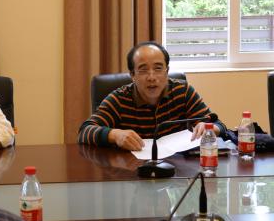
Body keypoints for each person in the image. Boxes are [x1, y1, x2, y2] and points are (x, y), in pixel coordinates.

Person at [78, 41, 217, 149]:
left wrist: (208, 128)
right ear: (132, 75)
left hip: (176, 170)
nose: (152, 77)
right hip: (132, 170)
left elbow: (218, 124)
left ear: (167, 71)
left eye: (158, 68)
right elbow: (84, 131)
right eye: (143, 70)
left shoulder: (182, 91)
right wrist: (114, 135)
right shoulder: (119, 99)